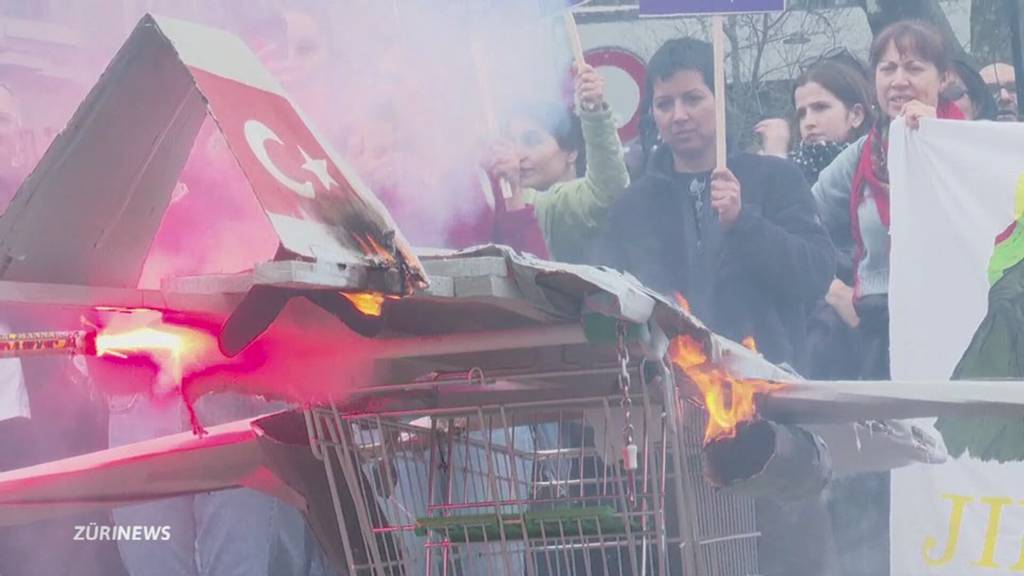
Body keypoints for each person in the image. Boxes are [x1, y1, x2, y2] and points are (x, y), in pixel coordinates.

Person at [591, 37, 837, 576]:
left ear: (718, 100)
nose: (679, 115)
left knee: (784, 557)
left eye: (693, 98)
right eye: (665, 104)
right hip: (673, 427)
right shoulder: (634, 207)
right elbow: (608, 298)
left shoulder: (775, 179)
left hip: (770, 417)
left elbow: (816, 274)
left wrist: (745, 224)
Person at [812, 20, 965, 576]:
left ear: (943, 79)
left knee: (953, 476)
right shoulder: (858, 160)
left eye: (915, 67)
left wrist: (938, 145)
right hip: (880, 345)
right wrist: (833, 288)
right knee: (880, 487)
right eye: (888, 68)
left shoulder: (974, 150)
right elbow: (797, 231)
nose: (899, 80)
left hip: (961, 344)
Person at [483, 62, 630, 263]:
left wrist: (594, 112)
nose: (517, 154)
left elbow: (607, 190)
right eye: (510, 143)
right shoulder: (500, 201)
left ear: (571, 152)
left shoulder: (569, 204)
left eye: (532, 140)